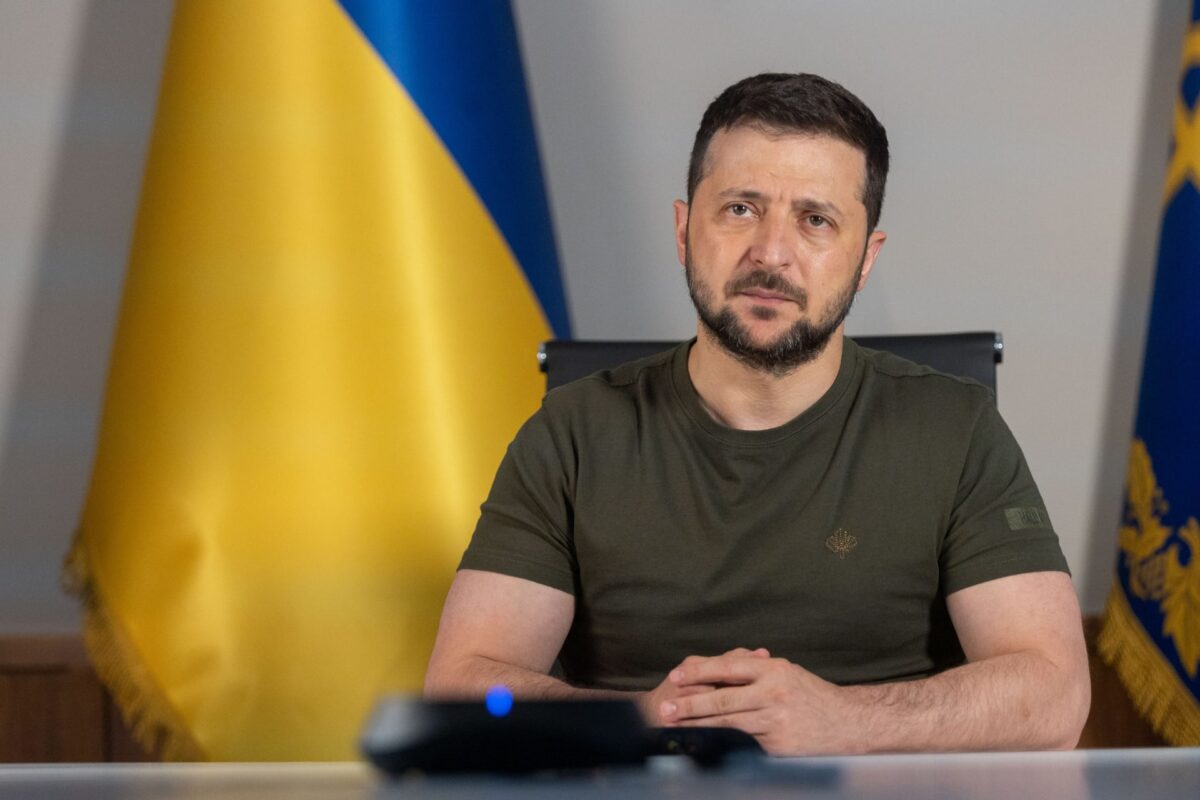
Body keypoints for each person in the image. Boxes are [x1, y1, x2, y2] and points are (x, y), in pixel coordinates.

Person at [423, 73, 1090, 755]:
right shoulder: (572, 433)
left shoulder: (957, 431)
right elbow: (463, 690)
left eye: (816, 220)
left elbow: (1055, 696)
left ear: (865, 259)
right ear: (684, 230)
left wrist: (846, 720)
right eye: (740, 209)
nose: (771, 253)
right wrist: (649, 719)